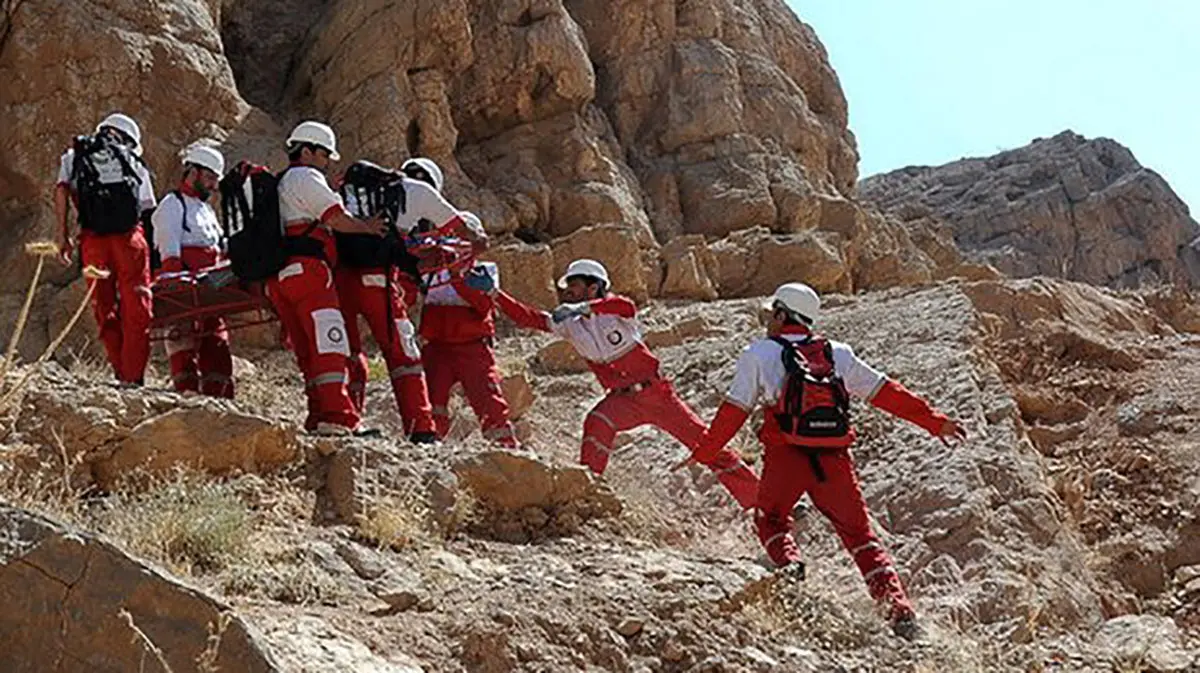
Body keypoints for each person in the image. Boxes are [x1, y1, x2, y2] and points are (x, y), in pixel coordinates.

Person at [697, 282, 967, 640]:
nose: (768, 322)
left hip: (786, 457)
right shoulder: (839, 353)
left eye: (771, 315)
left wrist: (705, 451)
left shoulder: (758, 353)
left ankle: (790, 564)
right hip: (834, 460)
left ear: (782, 314)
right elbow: (885, 392)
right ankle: (900, 614)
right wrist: (934, 422)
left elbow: (735, 410)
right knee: (860, 537)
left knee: (770, 519)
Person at [493, 259, 759, 509]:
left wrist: (585, 308)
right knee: (597, 421)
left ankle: (760, 501)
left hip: (656, 394)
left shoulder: (615, 310)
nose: (568, 292)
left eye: (574, 285)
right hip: (622, 400)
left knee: (707, 447)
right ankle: (588, 494)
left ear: (593, 287)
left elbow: (625, 306)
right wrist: (495, 294)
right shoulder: (570, 324)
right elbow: (528, 317)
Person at [334, 157, 469, 444]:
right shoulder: (420, 197)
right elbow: (462, 230)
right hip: (380, 282)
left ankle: (346, 420)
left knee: (348, 353)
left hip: (340, 279)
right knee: (404, 356)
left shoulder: (361, 194)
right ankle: (421, 428)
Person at [269, 121, 388, 435]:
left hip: (281, 276)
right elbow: (335, 218)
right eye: (324, 155)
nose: (325, 163)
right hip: (310, 273)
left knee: (308, 349)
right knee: (329, 344)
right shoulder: (305, 177)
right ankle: (338, 418)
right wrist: (368, 227)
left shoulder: (279, 182)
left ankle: (318, 416)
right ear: (307, 151)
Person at [54, 113, 156, 386]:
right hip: (129, 240)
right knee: (137, 307)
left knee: (103, 307)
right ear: (130, 140)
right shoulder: (133, 160)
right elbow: (146, 208)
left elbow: (61, 192)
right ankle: (134, 377)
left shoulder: (74, 155)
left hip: (92, 241)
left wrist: (62, 236)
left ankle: (120, 372)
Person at [418, 203, 518, 448]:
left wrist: (457, 276)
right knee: (431, 402)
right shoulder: (431, 271)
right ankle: (430, 448)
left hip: (472, 348)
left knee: (489, 401)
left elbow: (483, 306)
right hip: (437, 348)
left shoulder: (485, 271)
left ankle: (505, 449)